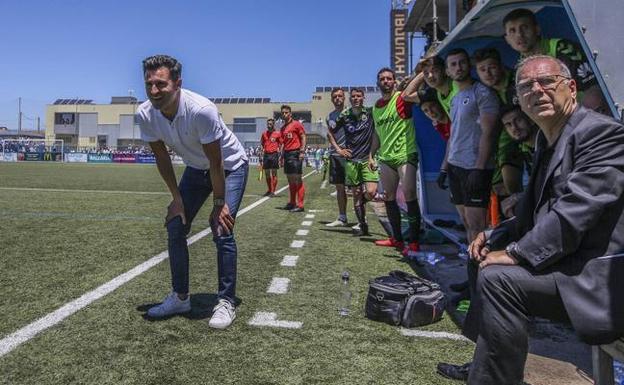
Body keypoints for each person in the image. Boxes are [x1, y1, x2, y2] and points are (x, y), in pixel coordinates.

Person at [438, 55, 624, 384]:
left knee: (499, 277)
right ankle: (487, 362)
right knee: (480, 251)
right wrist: (496, 234)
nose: (537, 90)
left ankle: (494, 378)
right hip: (568, 258)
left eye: (547, 82)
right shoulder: (548, 138)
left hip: (597, 274)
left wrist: (516, 253)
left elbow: (576, 211)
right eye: (526, 86)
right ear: (520, 100)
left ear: (571, 88)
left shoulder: (601, 134)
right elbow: (537, 208)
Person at [136, 54, 248, 329]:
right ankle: (180, 297)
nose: (154, 91)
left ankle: (226, 301)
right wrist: (177, 200)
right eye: (149, 84)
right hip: (196, 169)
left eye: (160, 84)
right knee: (176, 224)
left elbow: (217, 161)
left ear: (178, 84)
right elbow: (162, 158)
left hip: (230, 166)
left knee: (222, 227)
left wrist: (219, 203)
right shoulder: (145, 113)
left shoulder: (201, 110)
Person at [503, 8, 607, 113]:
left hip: (585, 117)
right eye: (512, 31)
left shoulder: (563, 49)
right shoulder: (518, 71)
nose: (519, 35)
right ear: (507, 39)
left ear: (537, 29)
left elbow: (593, 92)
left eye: (524, 28)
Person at [369, 67, 422, 256]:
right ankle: (397, 239)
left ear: (394, 81)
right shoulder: (376, 107)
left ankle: (414, 242)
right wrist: (371, 155)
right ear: (378, 82)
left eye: (389, 78)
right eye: (382, 79)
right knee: (389, 197)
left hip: (405, 155)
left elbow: (417, 92)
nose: (385, 81)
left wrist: (420, 72)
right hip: (386, 157)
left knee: (409, 194)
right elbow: (377, 133)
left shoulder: (402, 98)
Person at [473, 47, 524, 224]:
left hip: (532, 141)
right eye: (482, 70)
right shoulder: (486, 93)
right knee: (503, 188)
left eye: (491, 67)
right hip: (506, 147)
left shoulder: (519, 82)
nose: (488, 73)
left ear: (500, 66)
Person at [334, 88, 378, 236]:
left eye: (359, 96)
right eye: (353, 97)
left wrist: (373, 153)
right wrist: (339, 149)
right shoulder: (344, 115)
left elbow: (377, 133)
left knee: (371, 192)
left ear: (363, 98)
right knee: (357, 192)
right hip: (351, 160)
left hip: (367, 159)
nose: (356, 98)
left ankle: (361, 204)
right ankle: (362, 225)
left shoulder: (370, 113)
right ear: (350, 99)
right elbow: (330, 132)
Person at [499, 105, 538, 218]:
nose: (514, 128)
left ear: (531, 120)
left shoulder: (547, 142)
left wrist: (520, 198)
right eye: (508, 125)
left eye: (518, 120)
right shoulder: (519, 150)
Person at [326, 88, 349, 227]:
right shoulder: (330, 116)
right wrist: (338, 149)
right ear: (331, 99)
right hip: (336, 155)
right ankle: (342, 217)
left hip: (351, 155)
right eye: (334, 97)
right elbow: (330, 135)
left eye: (340, 96)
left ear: (344, 97)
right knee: (340, 188)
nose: (337, 99)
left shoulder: (351, 113)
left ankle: (361, 220)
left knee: (357, 189)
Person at [280, 104, 306, 212]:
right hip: (287, 154)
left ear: (290, 113)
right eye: (283, 113)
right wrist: (281, 156)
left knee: (297, 179)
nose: (284, 114)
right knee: (290, 180)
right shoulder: (282, 128)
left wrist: (302, 151)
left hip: (296, 153)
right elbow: (283, 143)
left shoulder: (297, 124)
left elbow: (303, 136)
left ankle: (300, 205)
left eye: (286, 112)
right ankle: (292, 202)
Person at [259, 118, 282, 196]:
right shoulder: (264, 134)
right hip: (266, 154)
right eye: (268, 124)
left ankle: (273, 191)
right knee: (267, 173)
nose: (269, 126)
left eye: (270, 124)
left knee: (274, 173)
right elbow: (262, 144)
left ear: (273, 125)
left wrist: (280, 153)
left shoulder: (277, 133)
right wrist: (261, 153)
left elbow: (282, 143)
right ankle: (269, 190)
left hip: (274, 154)